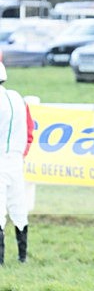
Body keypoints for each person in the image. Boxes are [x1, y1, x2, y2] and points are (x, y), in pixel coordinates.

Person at [0, 62, 34, 264]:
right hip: (15, 159)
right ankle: (22, 257)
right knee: (18, 206)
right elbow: (30, 131)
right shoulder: (18, 98)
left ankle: (1, 260)